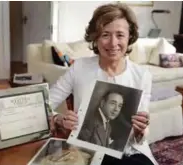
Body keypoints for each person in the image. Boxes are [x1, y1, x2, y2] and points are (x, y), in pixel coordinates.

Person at [49, 2, 158, 165]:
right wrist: (59, 119)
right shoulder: (79, 67)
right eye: (105, 34)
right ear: (95, 37)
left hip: (129, 152)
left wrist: (141, 130)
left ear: (130, 37)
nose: (113, 43)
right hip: (86, 152)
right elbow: (45, 104)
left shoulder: (142, 76)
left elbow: (140, 135)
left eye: (120, 35)